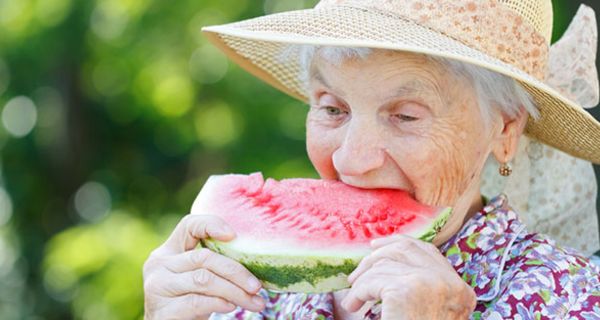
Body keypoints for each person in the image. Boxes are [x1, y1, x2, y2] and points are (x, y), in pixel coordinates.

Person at [143, 0, 600, 319]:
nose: (352, 159)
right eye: (332, 109)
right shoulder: (242, 290)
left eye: (404, 116)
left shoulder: (576, 299)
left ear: (504, 130)